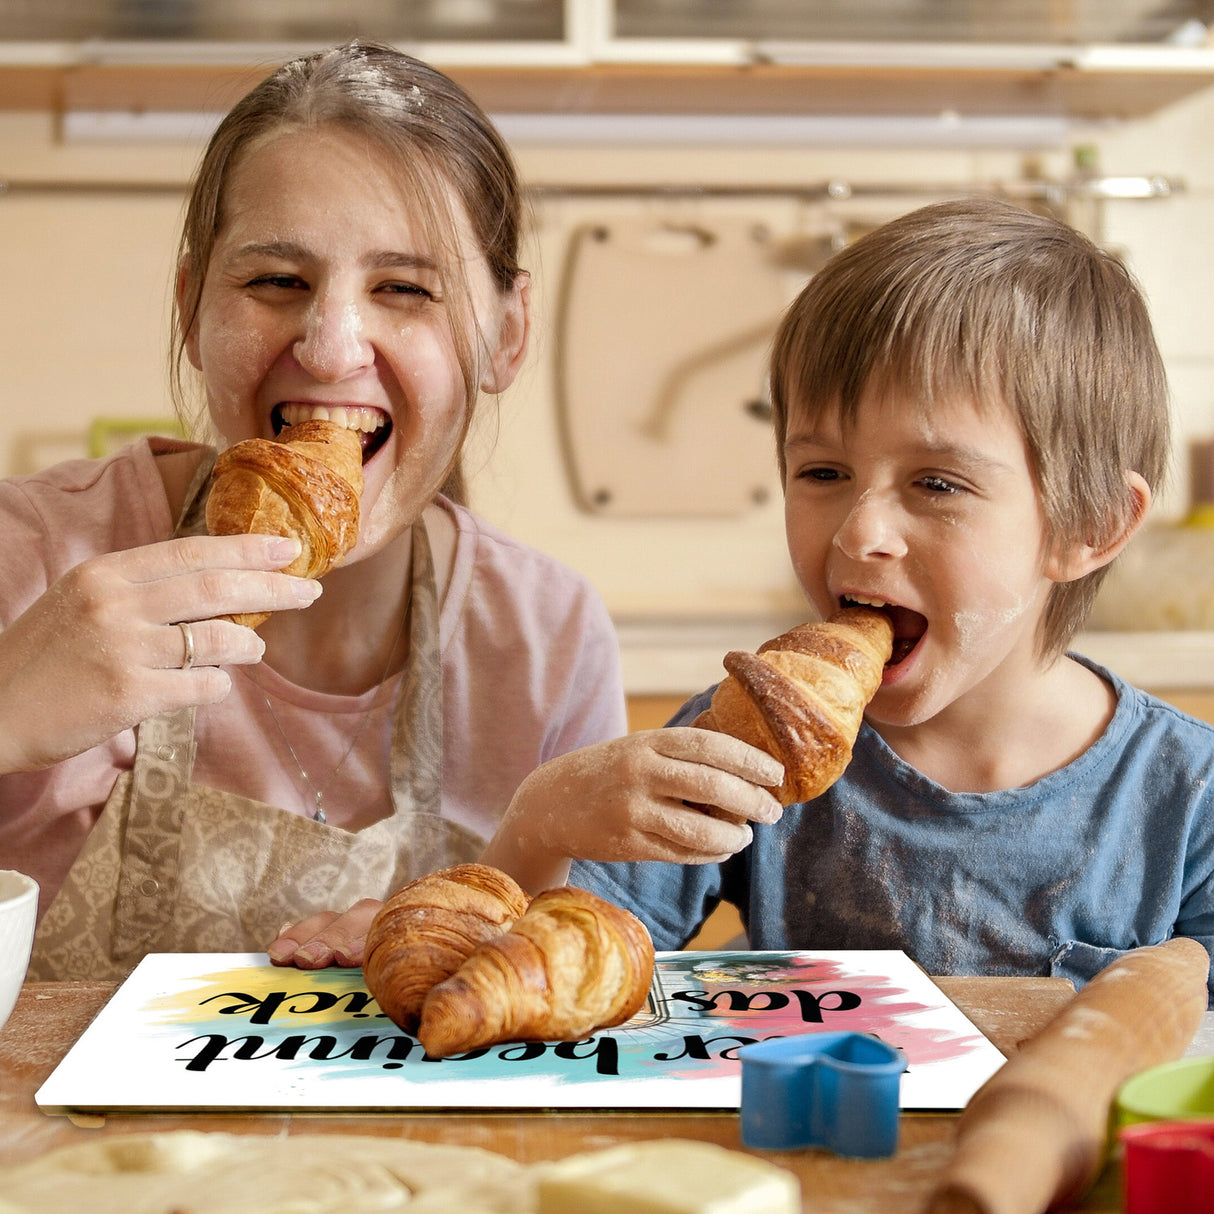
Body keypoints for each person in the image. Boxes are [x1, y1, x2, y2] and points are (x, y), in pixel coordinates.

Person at [0, 40, 635, 981]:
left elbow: (584, 990)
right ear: (190, 307)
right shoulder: (35, 557)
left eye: (405, 289)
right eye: (275, 282)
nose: (334, 347)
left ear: (506, 335)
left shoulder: (544, 639)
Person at [486, 196, 1214, 998]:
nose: (860, 531)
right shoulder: (747, 741)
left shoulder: (1188, 799)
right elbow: (552, 972)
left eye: (937, 483)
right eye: (824, 473)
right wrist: (540, 819)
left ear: (1091, 524)